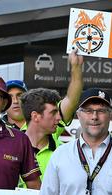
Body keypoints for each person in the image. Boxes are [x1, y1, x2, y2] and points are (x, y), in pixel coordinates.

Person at [19, 51, 83, 180]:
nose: (59, 118)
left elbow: (71, 99)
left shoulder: (64, 151)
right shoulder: (13, 145)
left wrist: (76, 67)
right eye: (53, 113)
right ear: (35, 116)